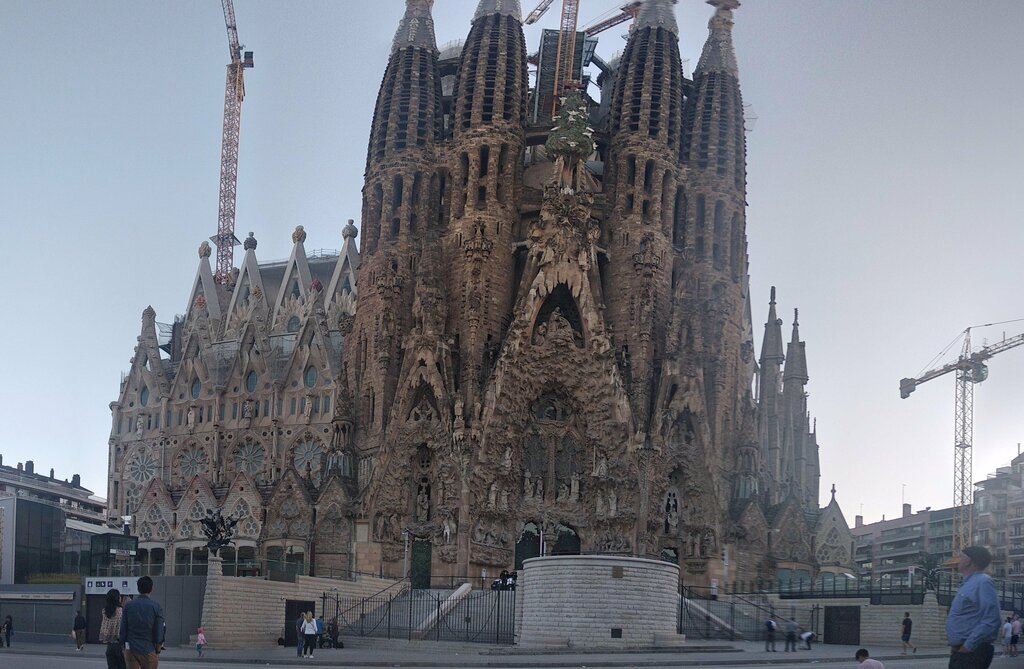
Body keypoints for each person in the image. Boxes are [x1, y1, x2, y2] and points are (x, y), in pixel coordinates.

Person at [947, 545, 1002, 669]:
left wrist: (968, 646)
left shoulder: (983, 582)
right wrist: (956, 648)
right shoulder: (967, 584)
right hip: (961, 652)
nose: (958, 560)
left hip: (971, 653)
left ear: (968, 561)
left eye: (961, 557)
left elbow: (992, 619)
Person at [119, 575, 165, 669]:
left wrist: (123, 646)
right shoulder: (156, 607)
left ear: (138, 588)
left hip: (131, 649)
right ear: (151, 589)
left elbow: (123, 629)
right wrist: (158, 649)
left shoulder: (128, 606)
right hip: (149, 649)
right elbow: (159, 630)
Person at [100, 589, 126, 669]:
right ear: (118, 598)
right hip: (119, 646)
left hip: (110, 646)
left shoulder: (105, 611)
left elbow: (104, 627)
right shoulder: (121, 611)